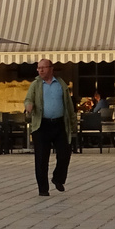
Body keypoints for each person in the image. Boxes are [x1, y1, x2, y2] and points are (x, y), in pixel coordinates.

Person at [25, 57, 75, 196]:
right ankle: (43, 189)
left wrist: (73, 125)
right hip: (42, 125)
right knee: (41, 158)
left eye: (43, 67)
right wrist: (28, 106)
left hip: (59, 124)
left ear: (51, 69)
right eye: (38, 68)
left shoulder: (61, 84)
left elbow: (69, 106)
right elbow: (28, 98)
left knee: (65, 154)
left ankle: (58, 178)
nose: (40, 70)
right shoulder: (35, 84)